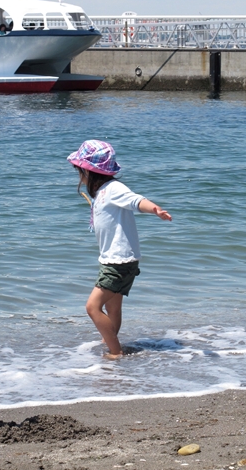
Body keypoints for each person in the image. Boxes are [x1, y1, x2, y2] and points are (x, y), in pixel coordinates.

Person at [67, 140, 172, 360]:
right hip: (117, 260)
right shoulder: (103, 192)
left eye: (80, 171)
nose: (80, 176)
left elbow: (136, 200)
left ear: (89, 171)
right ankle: (110, 340)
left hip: (118, 262)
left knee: (93, 307)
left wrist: (155, 209)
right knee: (113, 309)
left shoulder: (113, 189)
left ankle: (116, 352)